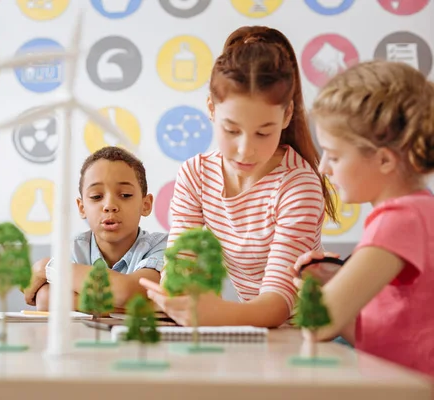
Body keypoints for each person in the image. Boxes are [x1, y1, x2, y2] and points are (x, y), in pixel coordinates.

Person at [140, 26, 337, 328]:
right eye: (232, 130)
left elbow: (277, 304)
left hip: (308, 331)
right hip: (254, 329)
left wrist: (211, 314)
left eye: (263, 132)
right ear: (211, 109)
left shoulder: (299, 185)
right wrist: (177, 293)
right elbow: (182, 263)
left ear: (286, 116)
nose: (246, 150)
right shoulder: (196, 174)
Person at [290, 60, 434, 377]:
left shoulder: (399, 219)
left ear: (383, 159)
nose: (323, 167)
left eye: (335, 155)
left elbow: (320, 326)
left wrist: (309, 292)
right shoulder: (420, 210)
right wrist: (336, 285)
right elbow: (379, 334)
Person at [23, 146, 168, 311]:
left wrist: (45, 268)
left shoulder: (161, 246)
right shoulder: (74, 250)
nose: (109, 205)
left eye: (125, 195)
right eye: (96, 197)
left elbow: (128, 292)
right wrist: (136, 307)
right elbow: (46, 298)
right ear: (82, 207)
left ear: (146, 204)